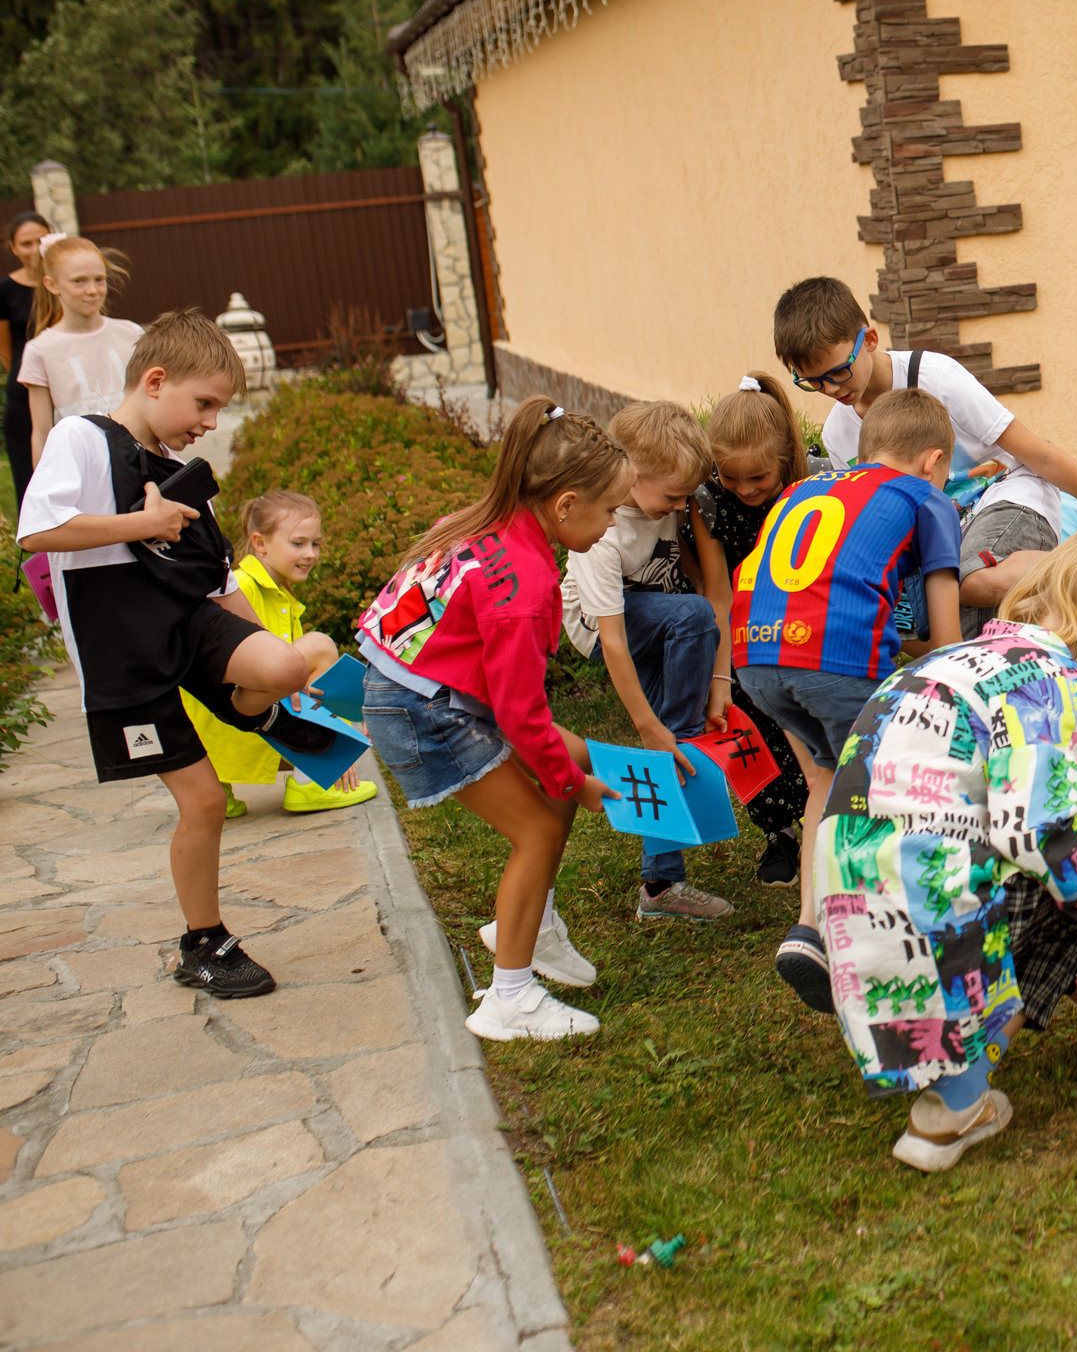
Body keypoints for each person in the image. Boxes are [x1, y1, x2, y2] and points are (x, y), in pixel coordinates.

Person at [806, 528, 1077, 1173]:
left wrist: (1066, 948)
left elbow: (973, 825)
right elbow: (1042, 842)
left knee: (1060, 861)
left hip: (865, 943)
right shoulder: (1054, 680)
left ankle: (956, 1102)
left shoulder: (940, 666)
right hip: (946, 934)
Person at [18, 309, 335, 1000]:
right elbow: (37, 530)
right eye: (205, 404)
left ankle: (267, 715)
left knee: (287, 662)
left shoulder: (181, 471)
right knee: (205, 804)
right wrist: (146, 522)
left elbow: (221, 583)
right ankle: (204, 943)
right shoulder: (81, 437)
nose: (211, 422)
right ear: (155, 381)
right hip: (125, 653)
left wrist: (273, 659)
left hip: (191, 624)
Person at [359, 399, 628, 1040]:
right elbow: (520, 712)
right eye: (610, 510)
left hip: (409, 690)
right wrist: (571, 786)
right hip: (423, 712)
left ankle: (535, 927)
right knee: (539, 829)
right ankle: (510, 997)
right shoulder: (529, 587)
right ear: (564, 505)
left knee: (576, 758)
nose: (613, 525)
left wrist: (569, 771)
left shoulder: (478, 521)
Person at [773, 277, 1077, 638]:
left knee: (970, 579)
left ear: (871, 339)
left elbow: (1041, 456)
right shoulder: (837, 434)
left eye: (837, 372)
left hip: (1009, 496)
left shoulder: (937, 377)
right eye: (811, 382)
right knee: (947, 629)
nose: (829, 389)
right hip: (941, 538)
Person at [735, 388, 962, 1005]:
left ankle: (809, 928)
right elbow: (945, 642)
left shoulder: (806, 489)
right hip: (835, 662)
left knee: (825, 782)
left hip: (756, 658)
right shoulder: (926, 497)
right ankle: (878, 939)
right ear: (933, 462)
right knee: (884, 794)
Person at [559, 400, 732, 926]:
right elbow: (612, 640)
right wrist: (649, 725)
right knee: (690, 622)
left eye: (686, 496)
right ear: (631, 475)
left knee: (669, 744)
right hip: (598, 626)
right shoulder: (603, 535)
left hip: (659, 621)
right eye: (673, 496)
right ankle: (673, 737)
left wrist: (717, 679)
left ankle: (659, 885)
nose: (682, 506)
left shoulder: (671, 502)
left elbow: (710, 585)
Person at [682, 372, 818, 886]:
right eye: (730, 476)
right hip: (739, 627)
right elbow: (718, 592)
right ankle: (778, 828)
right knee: (749, 716)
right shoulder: (709, 501)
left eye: (758, 478)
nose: (744, 489)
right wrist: (722, 677)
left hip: (802, 620)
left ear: (784, 458)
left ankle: (829, 813)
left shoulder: (813, 488)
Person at [184, 490, 379, 818]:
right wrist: (334, 742)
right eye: (298, 543)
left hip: (221, 728)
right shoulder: (241, 588)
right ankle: (309, 782)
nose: (311, 554)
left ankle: (219, 786)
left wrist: (343, 725)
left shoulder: (274, 590)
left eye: (315, 544)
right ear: (259, 544)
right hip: (235, 712)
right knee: (319, 647)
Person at [21, 234, 143, 469]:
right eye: (79, 281)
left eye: (99, 279)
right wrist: (45, 495)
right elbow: (42, 432)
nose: (92, 290)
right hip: (82, 468)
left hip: (138, 465)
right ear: (52, 285)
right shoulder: (39, 350)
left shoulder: (132, 334)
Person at [4, 212, 47, 512]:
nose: (34, 249)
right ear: (13, 248)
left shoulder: (63, 284)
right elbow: (5, 349)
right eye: (26, 243)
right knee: (29, 475)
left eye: (40, 240)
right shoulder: (4, 289)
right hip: (24, 392)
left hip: (65, 388)